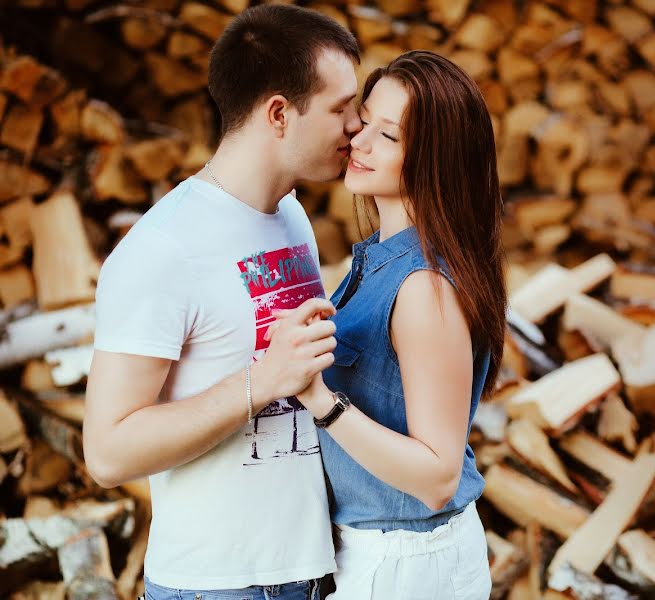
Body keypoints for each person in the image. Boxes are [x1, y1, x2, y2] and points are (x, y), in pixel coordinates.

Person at [83, 6, 361, 599]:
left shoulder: (290, 215)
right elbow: (107, 452)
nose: (358, 125)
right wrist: (261, 381)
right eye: (342, 108)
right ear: (280, 114)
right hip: (216, 586)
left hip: (310, 573)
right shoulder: (162, 249)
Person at [292, 50, 506, 600]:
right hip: (377, 550)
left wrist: (320, 401)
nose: (358, 142)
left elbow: (437, 478)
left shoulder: (422, 289)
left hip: (406, 562)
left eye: (388, 137)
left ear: (436, 160)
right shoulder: (381, 260)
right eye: (365, 122)